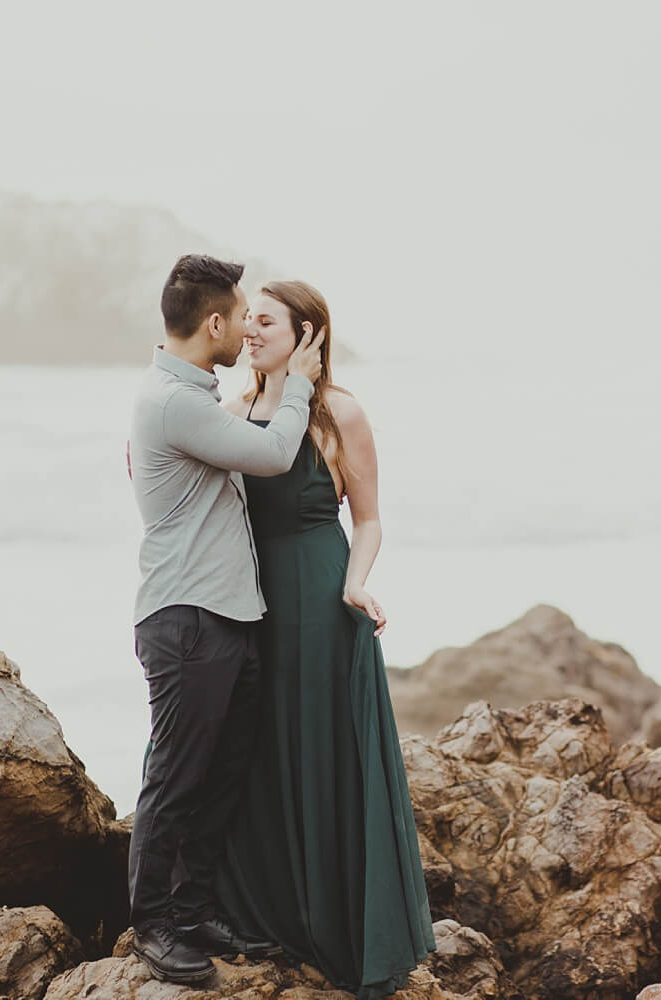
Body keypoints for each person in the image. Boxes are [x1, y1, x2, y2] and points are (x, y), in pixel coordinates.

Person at [215, 280, 435, 999]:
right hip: (251, 602)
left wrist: (356, 581)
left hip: (319, 593)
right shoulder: (235, 408)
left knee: (324, 753)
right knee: (261, 751)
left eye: (266, 320)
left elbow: (368, 519)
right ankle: (271, 915)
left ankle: (345, 929)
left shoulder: (339, 411)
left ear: (308, 335)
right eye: (247, 318)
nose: (249, 329)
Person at [126, 254, 325, 984]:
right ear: (213, 322)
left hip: (227, 615)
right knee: (177, 778)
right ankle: (152, 924)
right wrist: (296, 383)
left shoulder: (197, 397)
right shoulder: (173, 404)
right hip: (188, 618)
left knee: (220, 774)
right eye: (241, 316)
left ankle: (192, 907)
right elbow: (273, 455)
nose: (246, 328)